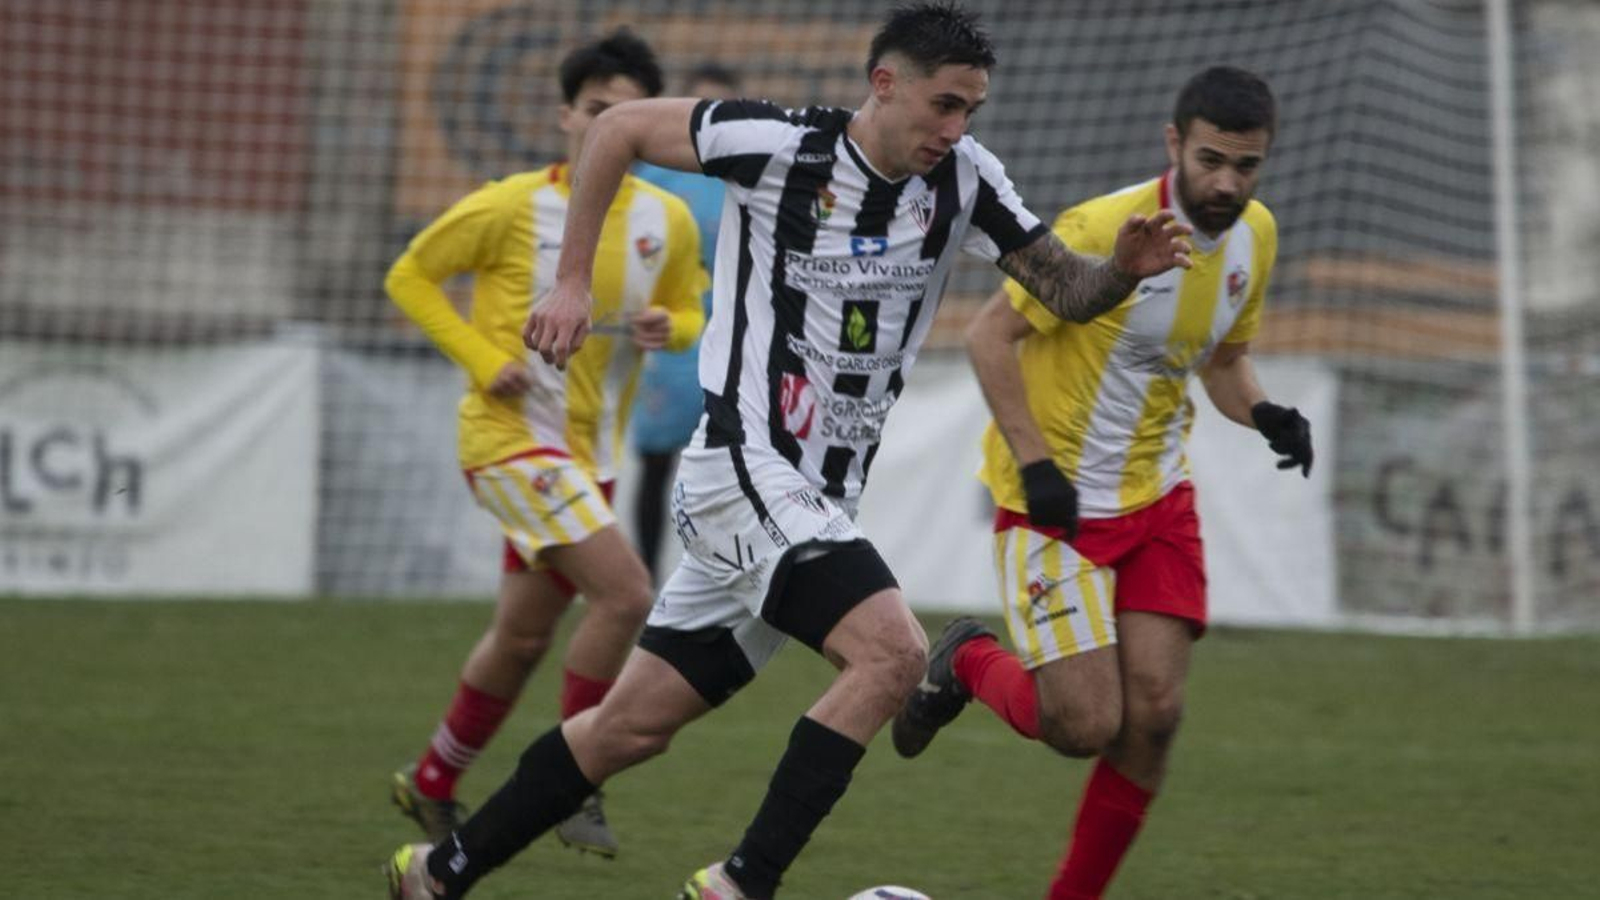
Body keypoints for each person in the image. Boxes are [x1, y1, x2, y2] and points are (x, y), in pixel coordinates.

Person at [387, 4, 1192, 898]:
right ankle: (742, 883)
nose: (956, 127)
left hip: (814, 500)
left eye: (971, 109)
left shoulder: (966, 178)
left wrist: (1122, 270)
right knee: (891, 655)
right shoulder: (777, 143)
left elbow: (1065, 290)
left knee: (629, 729)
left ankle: (437, 874)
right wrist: (571, 280)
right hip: (741, 467)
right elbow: (615, 128)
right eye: (944, 104)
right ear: (885, 84)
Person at [890, 66, 1312, 900]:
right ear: (1173, 144)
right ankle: (966, 659)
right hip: (1058, 505)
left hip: (1158, 500)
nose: (1228, 183)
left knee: (1154, 719)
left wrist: (1264, 413)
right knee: (1085, 726)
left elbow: (1223, 361)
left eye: (1248, 165)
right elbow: (987, 338)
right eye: (1212, 160)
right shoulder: (1103, 228)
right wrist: (1037, 465)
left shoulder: (1254, 237)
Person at [382, 29, 706, 860]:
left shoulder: (665, 220)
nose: (609, 124)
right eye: (597, 110)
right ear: (567, 116)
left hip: (589, 458)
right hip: (508, 443)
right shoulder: (509, 205)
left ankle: (430, 782)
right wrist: (486, 360)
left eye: (627, 113)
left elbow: (692, 306)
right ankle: (577, 777)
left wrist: (676, 325)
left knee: (524, 638)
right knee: (629, 596)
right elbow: (409, 276)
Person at [630, 61, 743, 583]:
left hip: (736, 345)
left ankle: (721, 578)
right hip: (669, 345)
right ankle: (645, 580)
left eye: (720, 111)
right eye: (700, 109)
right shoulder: (650, 178)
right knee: (656, 466)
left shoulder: (749, 177)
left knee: (727, 474)